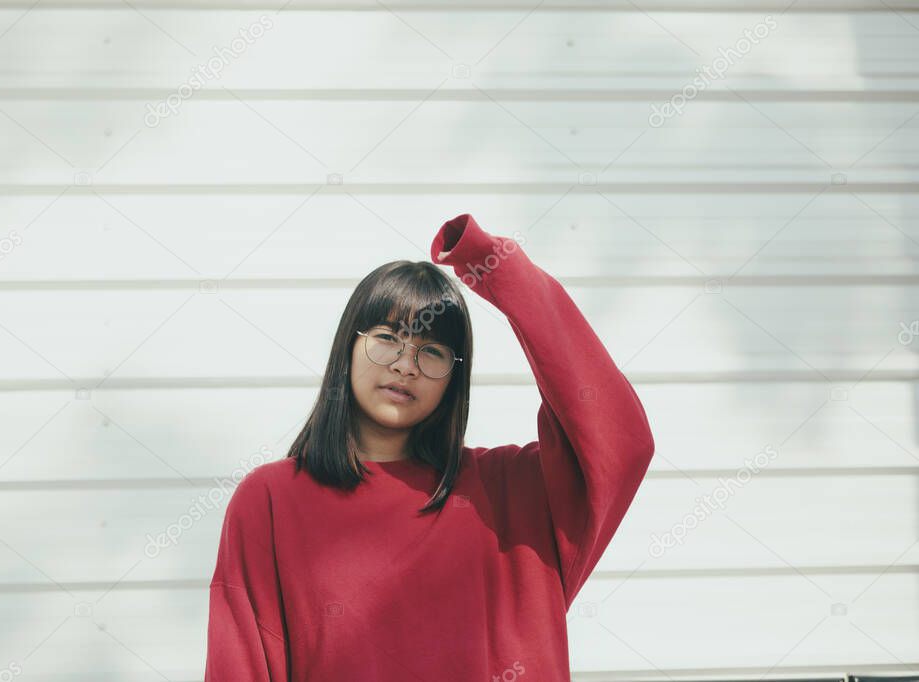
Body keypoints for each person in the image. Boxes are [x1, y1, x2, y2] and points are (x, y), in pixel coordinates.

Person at [204, 213, 656, 681]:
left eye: (432, 351)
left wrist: (497, 268)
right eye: (386, 339)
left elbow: (619, 437)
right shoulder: (270, 499)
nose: (405, 365)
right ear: (348, 348)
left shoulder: (512, 496)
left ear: (454, 378)